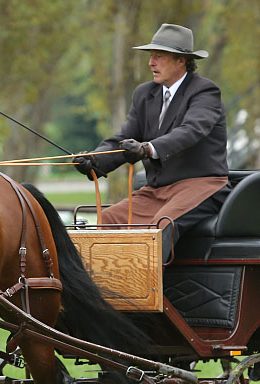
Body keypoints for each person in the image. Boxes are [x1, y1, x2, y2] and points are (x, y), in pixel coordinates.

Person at [74, 23, 229, 260]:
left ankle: (148, 294)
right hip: (156, 191)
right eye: (151, 56)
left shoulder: (205, 92)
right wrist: (94, 160)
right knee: (109, 219)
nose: (151, 62)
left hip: (201, 187)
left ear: (181, 61)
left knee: (161, 226)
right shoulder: (144, 94)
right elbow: (123, 139)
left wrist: (147, 149)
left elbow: (191, 131)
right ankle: (106, 290)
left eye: (159, 56)